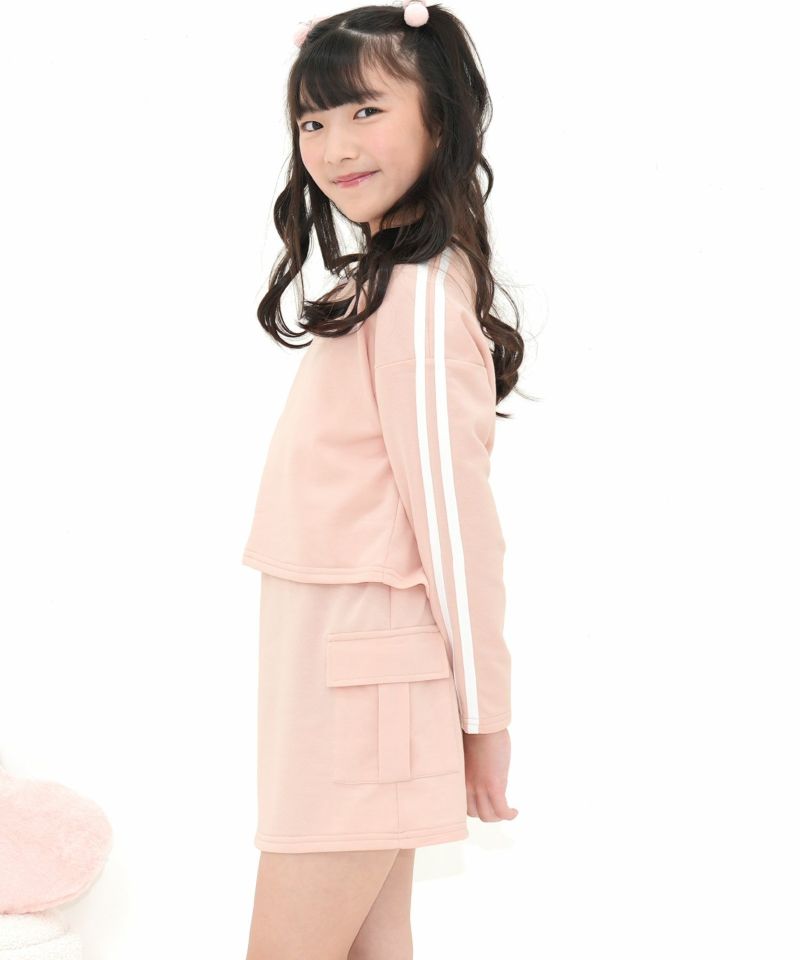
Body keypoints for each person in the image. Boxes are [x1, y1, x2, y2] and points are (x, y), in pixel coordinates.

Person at [241, 2, 529, 957]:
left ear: (440, 117)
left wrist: (485, 719)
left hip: (365, 679)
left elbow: (457, 527)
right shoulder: (388, 286)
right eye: (312, 120)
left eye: (365, 110)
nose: (334, 146)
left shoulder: (416, 298)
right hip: (344, 668)